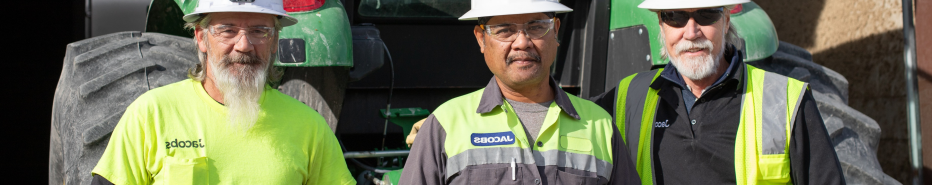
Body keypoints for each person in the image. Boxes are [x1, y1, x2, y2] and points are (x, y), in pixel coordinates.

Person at [89, 0, 355, 184]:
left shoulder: (310, 127)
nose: (244, 45)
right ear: (201, 38)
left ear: (274, 41)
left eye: (259, 31)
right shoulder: (151, 114)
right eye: (227, 30)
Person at [589, 0, 845, 184]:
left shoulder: (785, 101)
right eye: (675, 16)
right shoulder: (629, 96)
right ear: (661, 23)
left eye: (706, 14)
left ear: (726, 20)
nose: (691, 32)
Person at [399, 0, 640, 184]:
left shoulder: (600, 125)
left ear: (555, 31)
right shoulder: (444, 125)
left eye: (536, 27)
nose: (522, 42)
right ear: (481, 39)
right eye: (505, 30)